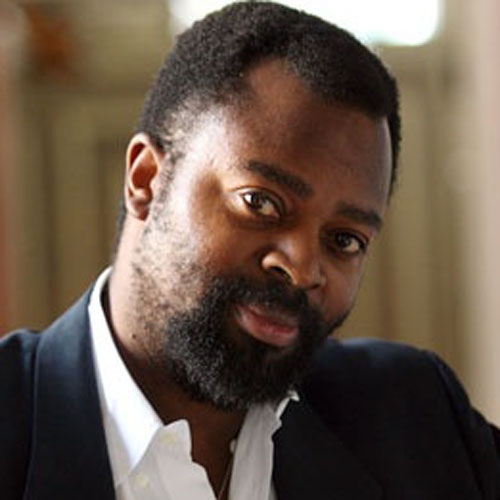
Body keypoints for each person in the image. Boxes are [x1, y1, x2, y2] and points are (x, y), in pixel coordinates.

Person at [1, 2, 499, 499]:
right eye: (260, 203)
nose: (302, 267)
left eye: (344, 240)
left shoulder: (417, 421)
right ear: (146, 179)